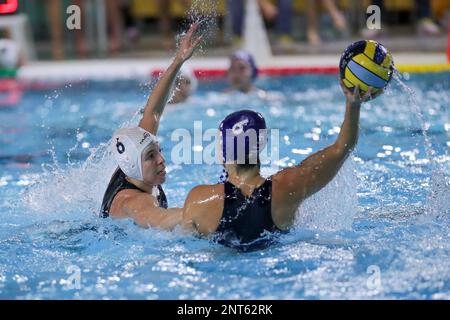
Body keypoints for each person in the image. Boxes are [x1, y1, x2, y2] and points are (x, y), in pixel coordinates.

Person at [181, 82, 382, 251]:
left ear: (222, 151)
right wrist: (352, 105)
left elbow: (186, 246)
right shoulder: (287, 186)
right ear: (261, 145)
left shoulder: (199, 200)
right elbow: (342, 148)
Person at [100, 23, 203, 229]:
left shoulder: (134, 167)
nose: (162, 160)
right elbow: (160, 218)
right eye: (151, 156)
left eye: (158, 151)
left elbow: (153, 111)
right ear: (132, 163)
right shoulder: (133, 201)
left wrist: (178, 61)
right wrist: (211, 211)